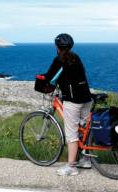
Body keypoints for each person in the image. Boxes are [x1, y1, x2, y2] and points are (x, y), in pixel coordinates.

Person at [43, 33, 93, 176]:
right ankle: (85, 159)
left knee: (71, 134)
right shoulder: (75, 57)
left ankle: (71, 167)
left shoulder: (59, 60)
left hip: (73, 100)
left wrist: (42, 78)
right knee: (84, 129)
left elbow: (49, 77)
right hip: (86, 98)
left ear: (57, 47)